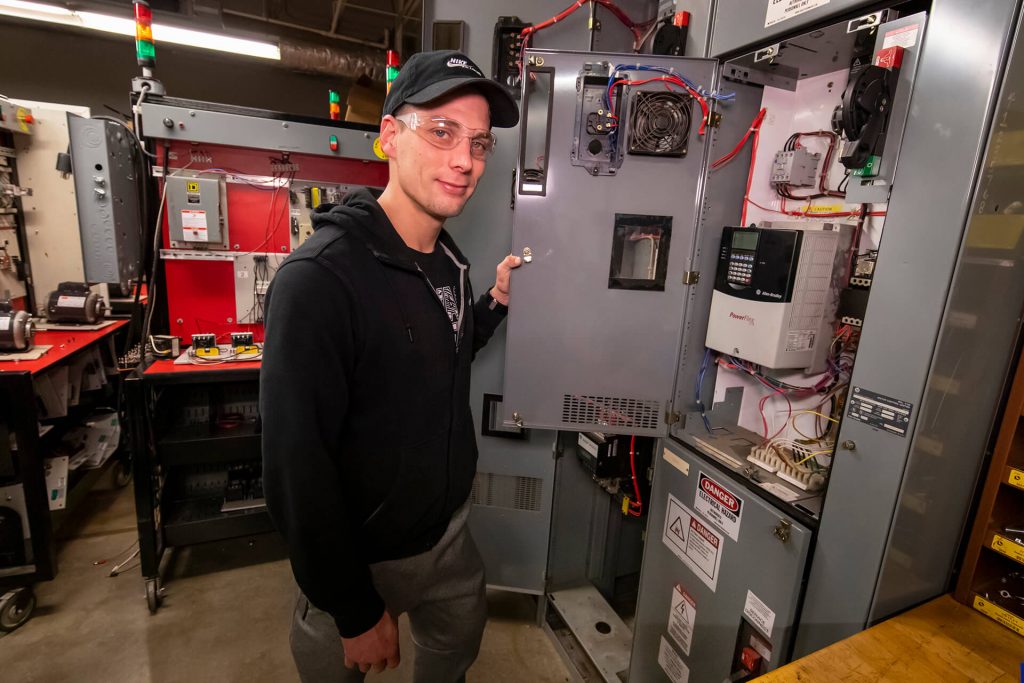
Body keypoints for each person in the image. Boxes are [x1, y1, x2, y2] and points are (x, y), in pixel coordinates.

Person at [260, 49, 522, 683]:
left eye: (479, 143)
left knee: (454, 658)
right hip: (359, 557)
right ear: (388, 138)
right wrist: (351, 610)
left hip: (449, 539)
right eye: (441, 132)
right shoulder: (320, 280)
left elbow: (438, 354)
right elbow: (297, 468)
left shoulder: (447, 261)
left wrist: (490, 306)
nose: (465, 160)